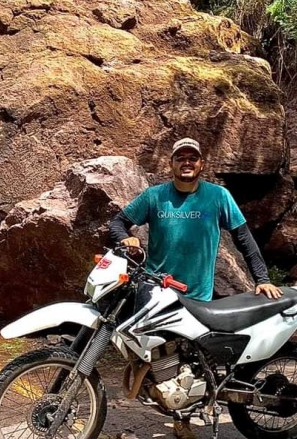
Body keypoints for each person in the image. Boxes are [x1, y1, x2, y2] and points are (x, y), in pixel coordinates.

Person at [109, 137, 282, 439]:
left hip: (196, 293)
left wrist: (262, 278)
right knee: (153, 355)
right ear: (172, 163)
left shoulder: (218, 197)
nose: (186, 162)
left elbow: (244, 240)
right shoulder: (155, 196)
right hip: (154, 290)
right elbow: (117, 223)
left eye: (193, 157)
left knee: (190, 361)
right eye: (180, 157)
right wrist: (126, 238)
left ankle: (185, 417)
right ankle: (169, 400)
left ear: (201, 163)